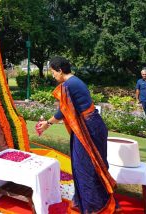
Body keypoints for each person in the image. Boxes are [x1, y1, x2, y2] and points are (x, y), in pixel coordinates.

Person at [36, 56, 118, 213]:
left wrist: (47, 123)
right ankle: (91, 203)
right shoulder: (75, 81)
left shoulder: (68, 85)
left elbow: (63, 111)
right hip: (91, 126)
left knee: (86, 168)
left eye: (53, 72)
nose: (53, 76)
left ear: (60, 70)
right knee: (88, 166)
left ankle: (93, 207)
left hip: (88, 129)